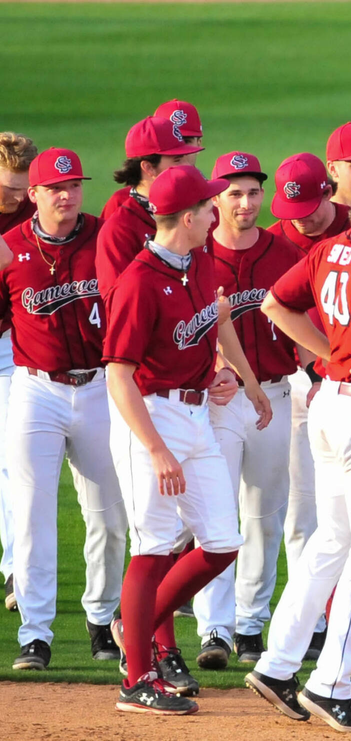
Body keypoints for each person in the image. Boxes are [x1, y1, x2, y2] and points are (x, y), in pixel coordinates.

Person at [248, 159, 351, 731]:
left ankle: (276, 666)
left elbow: (275, 303)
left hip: (328, 407)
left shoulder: (334, 246)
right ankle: (330, 683)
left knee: (332, 542)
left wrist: (330, 356)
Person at [104, 164, 270, 714]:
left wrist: (236, 375)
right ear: (187, 217)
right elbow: (119, 375)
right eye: (208, 207)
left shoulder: (198, 262)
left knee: (222, 542)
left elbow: (214, 322)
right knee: (152, 545)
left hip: (197, 416)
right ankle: (136, 678)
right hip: (151, 418)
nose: (217, 211)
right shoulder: (139, 281)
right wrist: (155, 449)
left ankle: (139, 625)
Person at [2, 148, 125, 671]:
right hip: (35, 392)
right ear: (33, 194)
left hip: (100, 388)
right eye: (55, 187)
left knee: (109, 514)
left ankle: (102, 619)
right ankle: (36, 635)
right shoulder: (8, 249)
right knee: (31, 515)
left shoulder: (105, 237)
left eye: (74, 185)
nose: (67, 195)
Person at [191, 152, 303, 669]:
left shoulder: (285, 252)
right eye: (234, 192)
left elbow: (307, 320)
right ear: (215, 199)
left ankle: (250, 625)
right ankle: (213, 627)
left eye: (253, 191)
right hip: (217, 402)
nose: (245, 201)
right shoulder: (195, 255)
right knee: (216, 516)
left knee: (264, 515)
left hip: (277, 396)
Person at [264, 151, 350, 660]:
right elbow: (282, 310)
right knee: (302, 514)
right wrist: (320, 367)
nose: (305, 217)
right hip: (301, 381)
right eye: (294, 208)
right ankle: (311, 623)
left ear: (328, 189)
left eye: (313, 206)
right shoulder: (279, 240)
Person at [96, 116, 203, 302]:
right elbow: (119, 304)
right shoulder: (119, 231)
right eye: (177, 160)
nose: (187, 166)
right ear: (148, 168)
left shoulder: (198, 210)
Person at [0, 131, 37, 613]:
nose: (13, 196)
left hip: (9, 345)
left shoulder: (34, 208)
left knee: (12, 459)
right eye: (6, 187)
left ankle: (15, 569)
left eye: (20, 187)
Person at [101, 100, 204, 222]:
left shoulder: (212, 196)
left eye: (185, 142)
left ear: (198, 145)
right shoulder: (119, 203)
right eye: (169, 145)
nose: (180, 152)